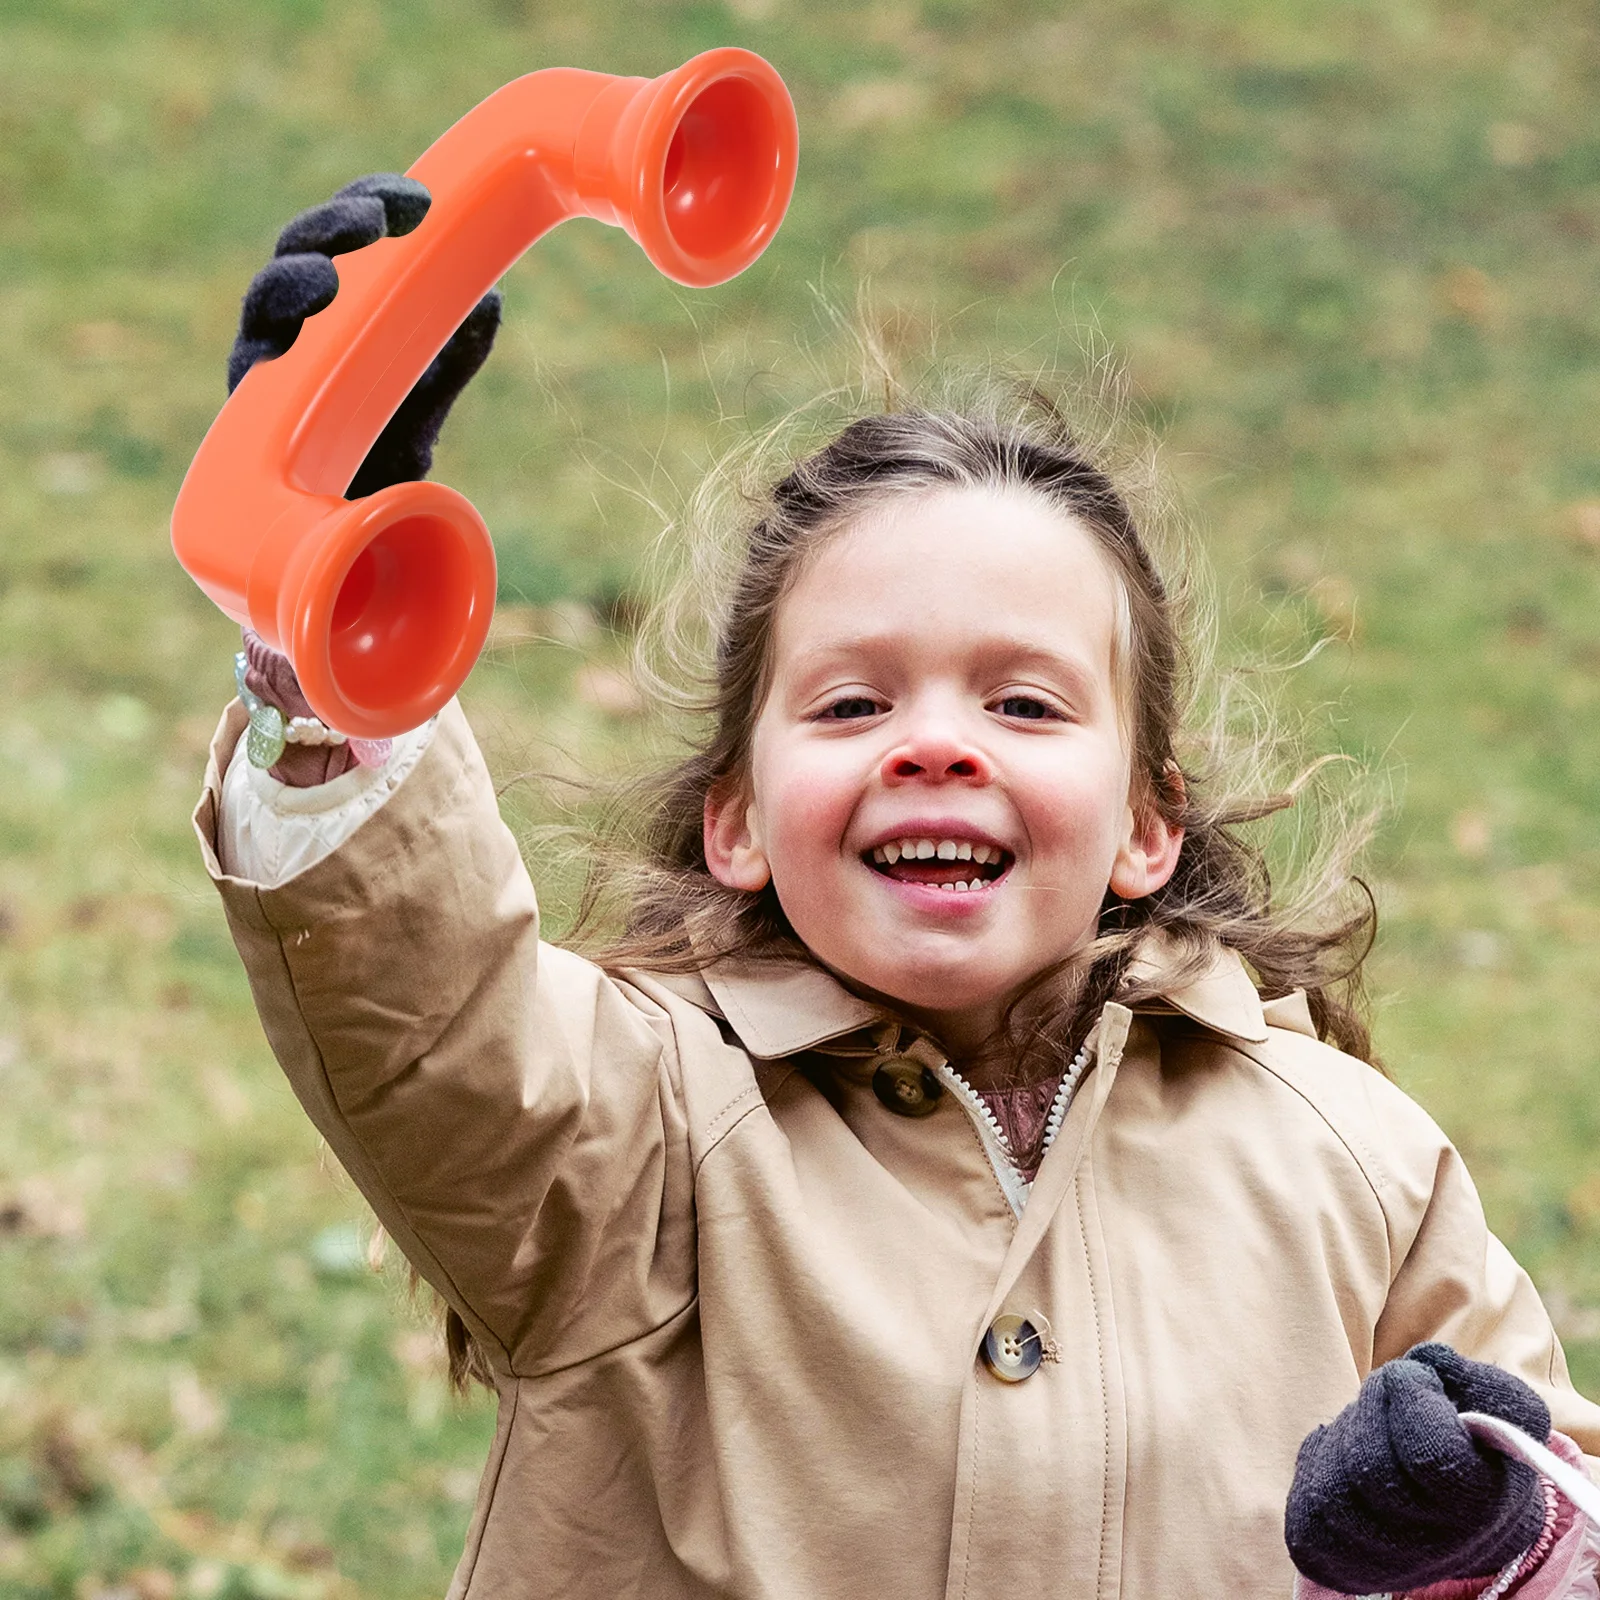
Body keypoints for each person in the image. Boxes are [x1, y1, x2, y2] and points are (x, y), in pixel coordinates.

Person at [195, 176, 1600, 1600]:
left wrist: (1482, 1555)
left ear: (1145, 826)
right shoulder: (630, 1130)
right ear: (736, 819)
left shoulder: (1355, 1164)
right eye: (856, 704)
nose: (936, 743)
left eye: (1028, 706)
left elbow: (1559, 1511)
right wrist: (334, 616)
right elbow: (421, 1007)